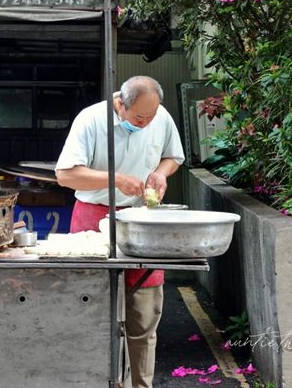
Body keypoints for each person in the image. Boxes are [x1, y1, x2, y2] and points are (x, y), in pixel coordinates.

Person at [55, 76, 185, 388]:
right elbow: (65, 175)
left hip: (141, 220)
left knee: (143, 311)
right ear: (120, 104)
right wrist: (113, 179)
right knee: (91, 310)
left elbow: (173, 157)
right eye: (140, 117)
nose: (146, 123)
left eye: (151, 117)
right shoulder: (90, 120)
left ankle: (140, 384)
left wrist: (160, 174)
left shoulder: (159, 116)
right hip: (93, 218)